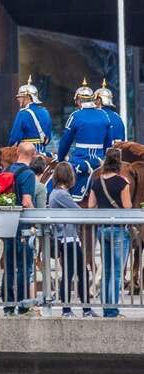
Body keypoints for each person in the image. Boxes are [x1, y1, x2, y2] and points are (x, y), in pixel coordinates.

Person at [48, 162, 96, 317]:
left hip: (68, 239)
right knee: (73, 274)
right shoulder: (62, 194)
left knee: (79, 273)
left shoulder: (56, 193)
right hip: (68, 239)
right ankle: (69, 309)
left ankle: (83, 309)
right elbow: (78, 212)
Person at [89, 148, 131, 318]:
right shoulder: (123, 182)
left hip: (102, 229)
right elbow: (127, 208)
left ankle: (106, 308)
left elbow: (91, 205)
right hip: (119, 230)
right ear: (119, 162)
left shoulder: (97, 181)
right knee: (116, 272)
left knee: (106, 270)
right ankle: (112, 310)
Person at [58, 79, 112, 201]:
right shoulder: (104, 115)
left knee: (58, 182)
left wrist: (61, 159)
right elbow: (108, 144)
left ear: (78, 100)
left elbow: (65, 142)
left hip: (80, 160)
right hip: (100, 161)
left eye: (76, 101)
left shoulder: (75, 116)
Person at [2, 142, 36, 316]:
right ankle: (23, 305)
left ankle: (8, 305)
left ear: (17, 152)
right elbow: (26, 201)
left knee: (8, 265)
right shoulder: (28, 174)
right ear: (34, 155)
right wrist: (36, 219)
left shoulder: (5, 171)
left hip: (6, 224)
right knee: (24, 266)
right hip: (22, 227)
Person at [8, 75, 52, 154]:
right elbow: (48, 137)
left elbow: (14, 138)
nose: (18, 99)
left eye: (20, 97)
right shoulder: (45, 112)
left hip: (27, 154)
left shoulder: (23, 113)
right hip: (43, 153)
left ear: (27, 97)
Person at [95, 79, 126, 144]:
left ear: (100, 101)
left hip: (105, 151)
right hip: (119, 151)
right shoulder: (117, 116)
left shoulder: (98, 116)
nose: (94, 102)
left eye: (96, 99)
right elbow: (123, 138)